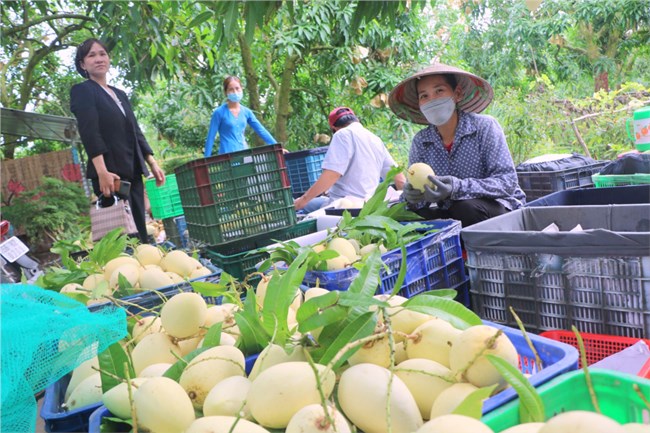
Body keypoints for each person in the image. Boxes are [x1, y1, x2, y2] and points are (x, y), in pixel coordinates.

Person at [388, 63, 525, 227]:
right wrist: (411, 197)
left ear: (457, 94)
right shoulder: (422, 141)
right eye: (424, 96)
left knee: (465, 208)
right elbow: (419, 197)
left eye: (439, 91)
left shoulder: (484, 127)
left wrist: (457, 187)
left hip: (498, 210)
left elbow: (507, 182)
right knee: (403, 215)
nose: (432, 100)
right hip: (451, 212)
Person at [71, 38, 165, 243]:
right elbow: (90, 132)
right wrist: (102, 171)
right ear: (82, 64)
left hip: (133, 170)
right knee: (121, 234)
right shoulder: (83, 91)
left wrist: (152, 163)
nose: (98, 59)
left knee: (140, 228)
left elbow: (135, 131)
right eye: (91, 55)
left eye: (102, 54)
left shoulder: (120, 94)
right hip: (111, 176)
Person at [294, 107, 406, 213]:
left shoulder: (342, 134)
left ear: (334, 128)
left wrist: (303, 200)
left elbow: (332, 174)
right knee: (314, 203)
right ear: (356, 120)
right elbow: (399, 177)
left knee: (305, 206)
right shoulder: (375, 139)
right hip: (369, 204)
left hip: (343, 205)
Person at [204, 76, 277, 156]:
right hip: (227, 156)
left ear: (241, 89)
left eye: (237, 88)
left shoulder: (246, 112)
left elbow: (261, 130)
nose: (235, 92)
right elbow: (211, 137)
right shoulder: (219, 113)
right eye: (231, 89)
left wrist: (277, 147)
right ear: (226, 92)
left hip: (244, 153)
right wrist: (206, 159)